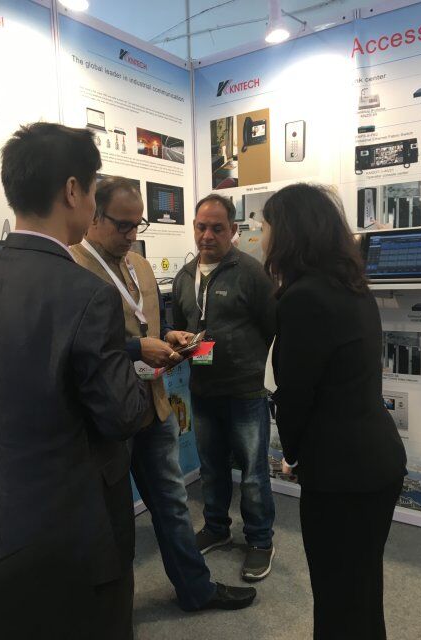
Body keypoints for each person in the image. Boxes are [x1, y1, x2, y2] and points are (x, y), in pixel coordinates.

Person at [0, 123, 148, 640]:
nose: (91, 204)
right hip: (83, 525)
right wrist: (139, 375)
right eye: (91, 191)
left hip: (2, 518)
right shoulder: (87, 293)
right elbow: (122, 415)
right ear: (71, 190)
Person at [71, 177, 257, 611]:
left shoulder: (140, 265)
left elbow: (147, 323)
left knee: (172, 503)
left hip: (152, 407)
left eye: (138, 224)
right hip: (105, 419)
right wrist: (136, 348)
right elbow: (75, 351)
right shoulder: (72, 268)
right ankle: (111, 613)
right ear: (93, 217)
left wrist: (168, 336)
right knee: (110, 520)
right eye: (122, 225)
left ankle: (196, 590)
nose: (131, 235)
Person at [262, 183, 407, 640]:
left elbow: (295, 394)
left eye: (265, 226)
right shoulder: (352, 286)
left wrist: (292, 452)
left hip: (342, 474)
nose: (261, 236)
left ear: (288, 232)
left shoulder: (303, 298)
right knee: (360, 589)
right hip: (376, 461)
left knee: (337, 597)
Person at [172, 193, 276, 581]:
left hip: (246, 391)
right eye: (201, 227)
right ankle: (217, 528)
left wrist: (247, 361)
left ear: (233, 230)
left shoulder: (251, 272)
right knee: (212, 468)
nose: (207, 235)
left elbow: (271, 327)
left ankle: (260, 540)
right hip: (203, 389)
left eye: (217, 228)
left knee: (252, 473)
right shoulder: (184, 277)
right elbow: (179, 325)